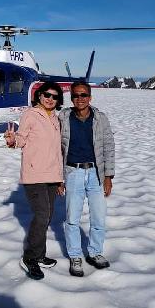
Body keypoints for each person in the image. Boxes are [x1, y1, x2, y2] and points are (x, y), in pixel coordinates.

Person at [5, 81, 64, 280]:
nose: (50, 99)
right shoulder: (30, 114)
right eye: (47, 94)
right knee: (42, 215)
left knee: (47, 217)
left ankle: (39, 255)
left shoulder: (55, 118)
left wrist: (60, 179)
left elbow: (57, 151)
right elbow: (21, 139)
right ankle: (29, 258)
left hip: (52, 176)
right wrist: (12, 140)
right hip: (34, 175)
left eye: (55, 96)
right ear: (39, 95)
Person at [59, 81, 115, 277]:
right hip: (73, 172)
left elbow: (108, 147)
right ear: (71, 97)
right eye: (76, 95)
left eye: (83, 95)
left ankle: (95, 252)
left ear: (90, 97)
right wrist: (59, 178)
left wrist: (108, 176)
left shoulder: (100, 119)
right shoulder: (63, 117)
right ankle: (75, 255)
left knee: (98, 217)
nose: (79, 99)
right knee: (72, 218)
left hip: (95, 174)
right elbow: (56, 149)